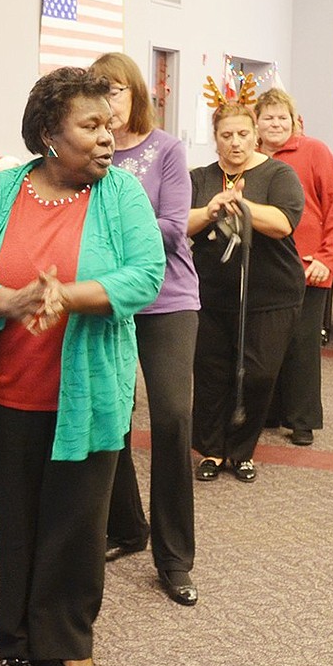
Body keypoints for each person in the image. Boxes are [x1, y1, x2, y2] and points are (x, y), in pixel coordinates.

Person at [0, 67, 164, 666]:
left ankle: (68, 640)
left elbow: (146, 275)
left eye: (109, 125)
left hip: (90, 394)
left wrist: (72, 296)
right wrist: (5, 302)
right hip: (9, 391)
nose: (106, 138)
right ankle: (15, 636)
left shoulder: (122, 195)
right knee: (18, 519)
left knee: (77, 523)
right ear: (49, 134)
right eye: (90, 126)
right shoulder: (1, 191)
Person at [89, 52, 199, 606]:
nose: (107, 102)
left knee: (174, 418)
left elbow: (174, 231)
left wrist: (111, 230)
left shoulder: (166, 150)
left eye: (115, 91)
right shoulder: (89, 154)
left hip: (168, 299)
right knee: (112, 415)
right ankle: (129, 527)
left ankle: (175, 556)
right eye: (98, 92)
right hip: (109, 300)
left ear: (135, 92)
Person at [189, 94, 304, 483]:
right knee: (210, 371)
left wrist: (243, 206)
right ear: (215, 138)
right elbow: (177, 223)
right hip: (210, 294)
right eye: (226, 135)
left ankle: (241, 450)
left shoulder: (278, 175)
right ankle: (211, 450)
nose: (235, 142)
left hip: (271, 295)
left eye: (242, 134)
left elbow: (284, 222)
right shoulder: (199, 178)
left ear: (255, 135)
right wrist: (209, 210)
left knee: (257, 374)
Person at [255, 88, 333, 447]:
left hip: (309, 266)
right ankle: (270, 411)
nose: (276, 124)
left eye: (283, 117)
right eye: (268, 117)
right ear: (257, 123)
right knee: (265, 342)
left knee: (302, 343)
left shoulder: (315, 151)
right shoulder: (250, 156)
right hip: (264, 268)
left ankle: (302, 419)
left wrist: (327, 258)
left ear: (295, 121)